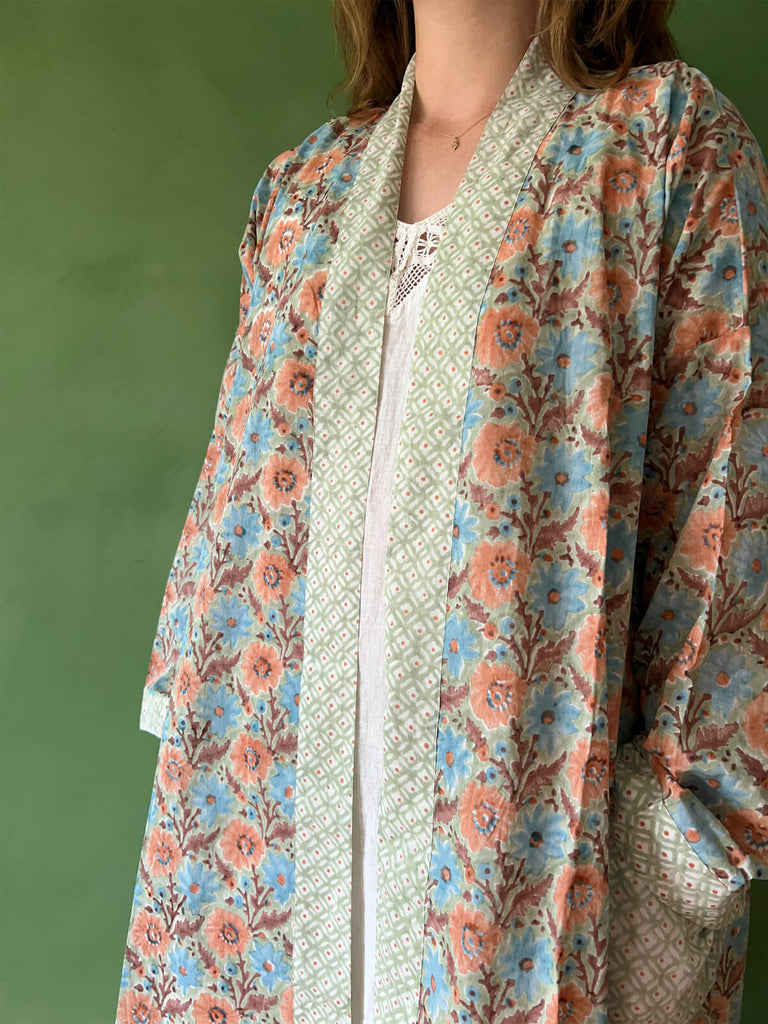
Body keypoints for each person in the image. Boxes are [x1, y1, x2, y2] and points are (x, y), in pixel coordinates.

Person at [114, 1, 768, 1022]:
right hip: (260, 919)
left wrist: (657, 886)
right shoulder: (301, 197)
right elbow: (217, 590)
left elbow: (734, 578)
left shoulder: (665, 151)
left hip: (532, 919)